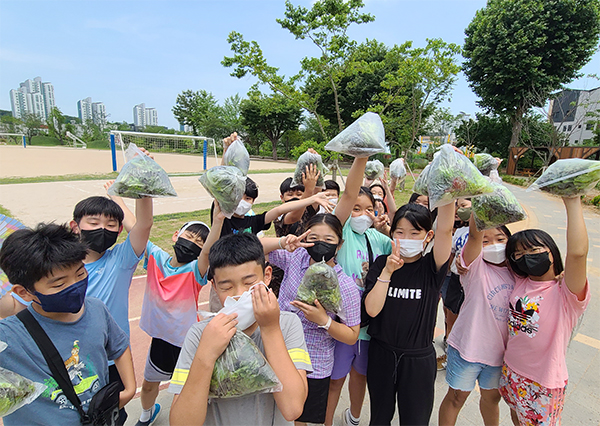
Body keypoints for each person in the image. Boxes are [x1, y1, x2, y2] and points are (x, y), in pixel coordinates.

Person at [169, 232, 312, 426]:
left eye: (249, 283)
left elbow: (293, 408)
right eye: (226, 287)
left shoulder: (286, 324)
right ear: (214, 287)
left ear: (267, 276)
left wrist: (270, 328)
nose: (239, 294)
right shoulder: (200, 333)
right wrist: (206, 354)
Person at [0, 223, 135, 425]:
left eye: (80, 274)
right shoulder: (9, 335)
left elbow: (119, 346)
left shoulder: (97, 309)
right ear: (24, 292)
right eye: (59, 284)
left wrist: (130, 388)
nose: (75, 286)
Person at [116, 200, 224, 426]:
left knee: (191, 389)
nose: (192, 243)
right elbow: (136, 226)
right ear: (176, 235)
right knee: (147, 386)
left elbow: (206, 253)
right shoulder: (156, 258)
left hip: (188, 342)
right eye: (189, 237)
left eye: (199, 242)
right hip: (162, 340)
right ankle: (147, 415)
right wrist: (116, 199)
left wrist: (219, 221)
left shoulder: (195, 271)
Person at [262, 214, 361, 425]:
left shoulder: (344, 285)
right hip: (277, 349)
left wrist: (324, 320)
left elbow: (352, 335)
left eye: (328, 240)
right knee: (273, 411)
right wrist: (284, 242)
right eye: (314, 238)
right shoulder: (296, 258)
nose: (320, 245)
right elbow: (255, 248)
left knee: (301, 417)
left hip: (313, 363)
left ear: (339, 245)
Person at [363, 201, 455, 425]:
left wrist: (450, 191)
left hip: (418, 360)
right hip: (381, 354)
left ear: (428, 235)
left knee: (415, 420)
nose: (407, 238)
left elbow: (445, 229)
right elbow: (372, 310)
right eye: (400, 232)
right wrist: (388, 271)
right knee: (379, 418)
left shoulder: (432, 267)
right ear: (392, 233)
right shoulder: (381, 264)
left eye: (415, 233)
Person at [500, 196, 590, 426]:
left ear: (551, 252)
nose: (526, 258)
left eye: (534, 250)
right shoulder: (521, 281)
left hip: (543, 382)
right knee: (517, 417)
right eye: (518, 254)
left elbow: (578, 254)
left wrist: (572, 200)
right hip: (511, 370)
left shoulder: (566, 293)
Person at [70, 190, 152, 423]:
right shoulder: (59, 268)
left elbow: (144, 224)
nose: (102, 229)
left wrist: (142, 184)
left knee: (111, 416)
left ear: (118, 230)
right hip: (73, 360)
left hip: (113, 360)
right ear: (75, 226)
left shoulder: (121, 260)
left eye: (111, 225)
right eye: (94, 222)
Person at [324, 157, 392, 426]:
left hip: (368, 328)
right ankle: (326, 421)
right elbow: (350, 191)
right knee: (334, 380)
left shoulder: (378, 239)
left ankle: (353, 416)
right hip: (342, 326)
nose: (362, 215)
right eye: (355, 209)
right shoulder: (342, 234)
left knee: (360, 377)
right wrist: (361, 157)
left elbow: (404, 251)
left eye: (368, 210)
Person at [438, 217, 514, 426]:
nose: (494, 245)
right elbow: (473, 235)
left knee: (492, 399)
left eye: (500, 239)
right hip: (467, 350)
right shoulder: (474, 267)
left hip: (499, 354)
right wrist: (480, 200)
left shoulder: (520, 273)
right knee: (456, 398)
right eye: (486, 241)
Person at [216, 176, 332, 237]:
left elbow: (277, 210)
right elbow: (220, 188)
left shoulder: (254, 222)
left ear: (253, 201)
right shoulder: (221, 219)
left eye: (247, 199)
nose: (242, 202)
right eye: (238, 197)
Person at [438, 198, 472, 369]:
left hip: (471, 283)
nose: (460, 209)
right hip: (454, 279)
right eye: (457, 206)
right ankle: (450, 352)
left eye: (464, 206)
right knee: (450, 313)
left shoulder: (485, 232)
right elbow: (451, 254)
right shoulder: (460, 231)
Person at [274, 163, 324, 237]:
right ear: (282, 198)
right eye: (290, 195)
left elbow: (317, 191)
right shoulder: (279, 214)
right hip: (287, 248)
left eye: (299, 194)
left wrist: (315, 162)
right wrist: (308, 190)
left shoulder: (308, 209)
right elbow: (294, 217)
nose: (295, 197)